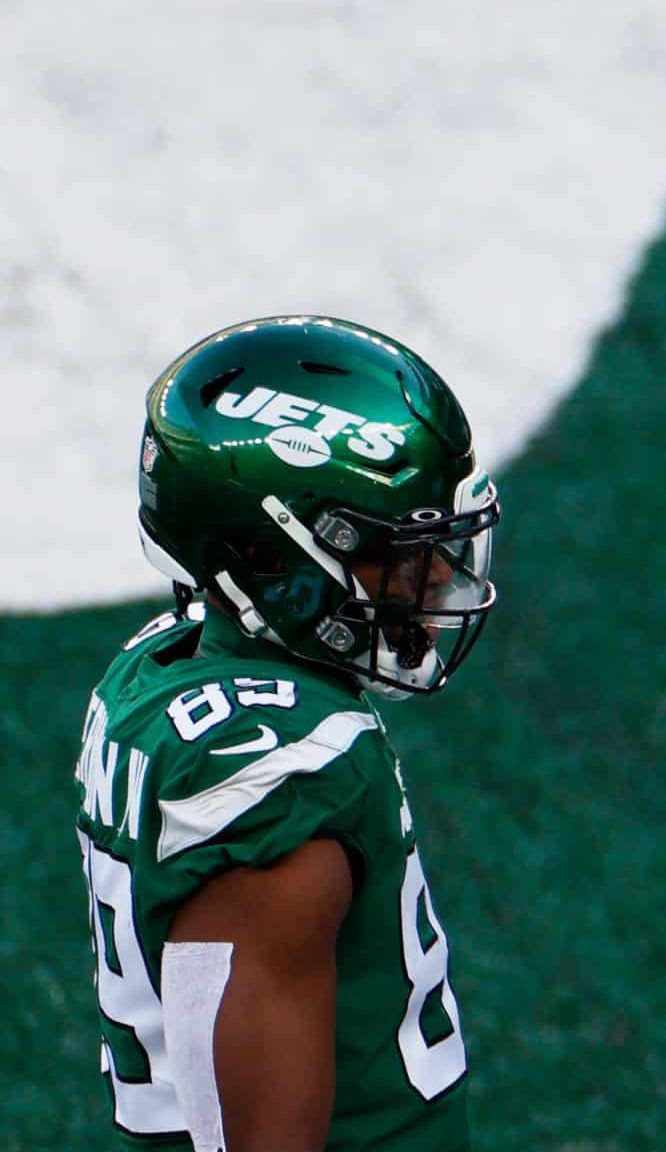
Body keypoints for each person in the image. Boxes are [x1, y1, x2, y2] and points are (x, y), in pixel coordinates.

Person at [74, 316, 498, 1151]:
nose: (440, 577)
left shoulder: (155, 669)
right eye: (395, 552)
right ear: (280, 559)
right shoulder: (281, 781)